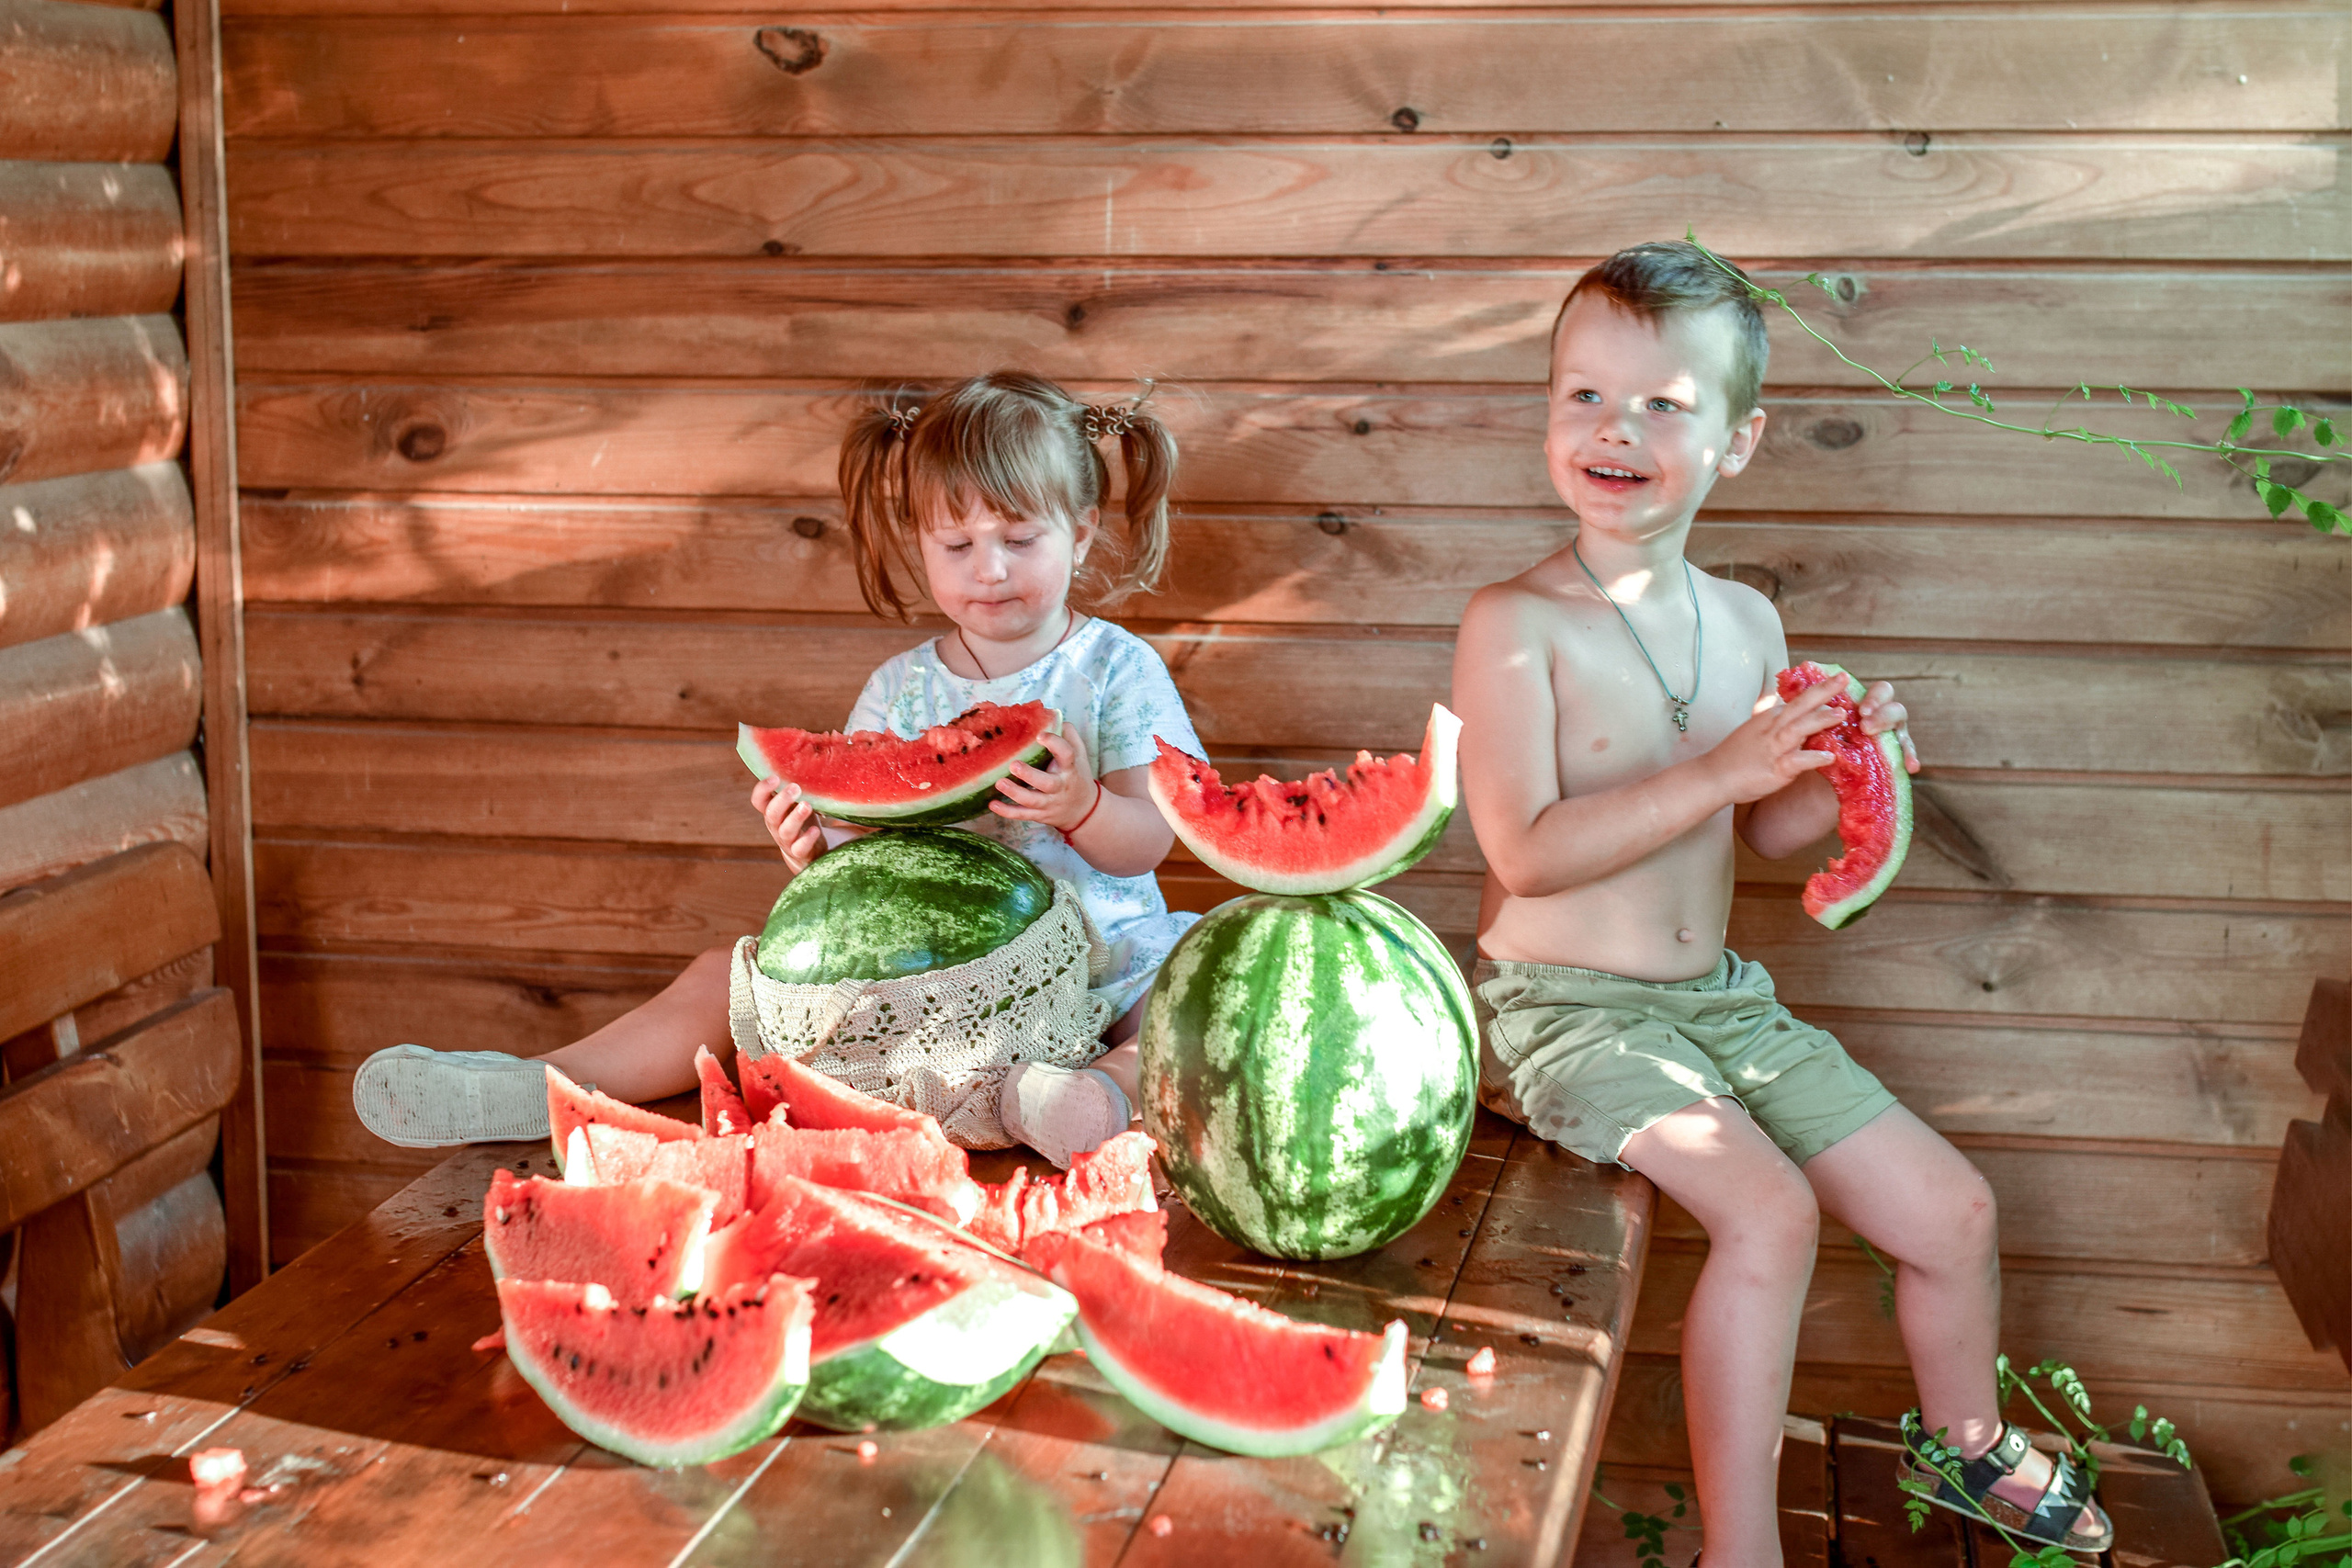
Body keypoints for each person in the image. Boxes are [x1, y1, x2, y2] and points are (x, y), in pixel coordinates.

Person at [1449, 242, 2110, 1564]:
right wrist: (1720, 768)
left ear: (1737, 441)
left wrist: (1853, 781)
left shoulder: (1748, 618)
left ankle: (1968, 1441)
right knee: (1772, 1209)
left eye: (1661, 404)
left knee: (1956, 1211)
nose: (1613, 429)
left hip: (1722, 1007)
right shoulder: (1512, 622)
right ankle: (1736, 1546)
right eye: (1583, 395)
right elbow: (1523, 850)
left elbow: (1762, 830)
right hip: (1563, 1013)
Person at [354, 370, 1200, 1168]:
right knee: (725, 971)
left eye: (1020, 538)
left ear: (1083, 531)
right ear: (919, 539)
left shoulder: (1118, 670)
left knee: (1182, 988)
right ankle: (543, 1082)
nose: (990, 568)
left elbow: (1149, 845)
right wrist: (813, 851)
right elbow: (862, 864)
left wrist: (1084, 805)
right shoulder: (899, 688)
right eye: (957, 542)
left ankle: (1089, 1095)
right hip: (924, 988)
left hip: (1093, 967)